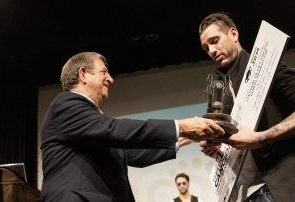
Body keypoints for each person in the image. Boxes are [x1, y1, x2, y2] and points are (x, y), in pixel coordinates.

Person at [40, 52, 225, 202]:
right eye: (104, 72)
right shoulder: (66, 103)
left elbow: (129, 154)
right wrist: (181, 126)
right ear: (83, 74)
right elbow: (112, 128)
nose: (111, 79)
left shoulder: (89, 123)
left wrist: (188, 137)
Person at [198, 12, 295, 201]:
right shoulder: (217, 91)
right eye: (206, 48)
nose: (211, 50)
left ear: (234, 34)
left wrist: (260, 137)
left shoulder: (268, 67)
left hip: (291, 185)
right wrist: (215, 148)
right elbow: (230, 145)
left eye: (215, 40)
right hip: (247, 193)